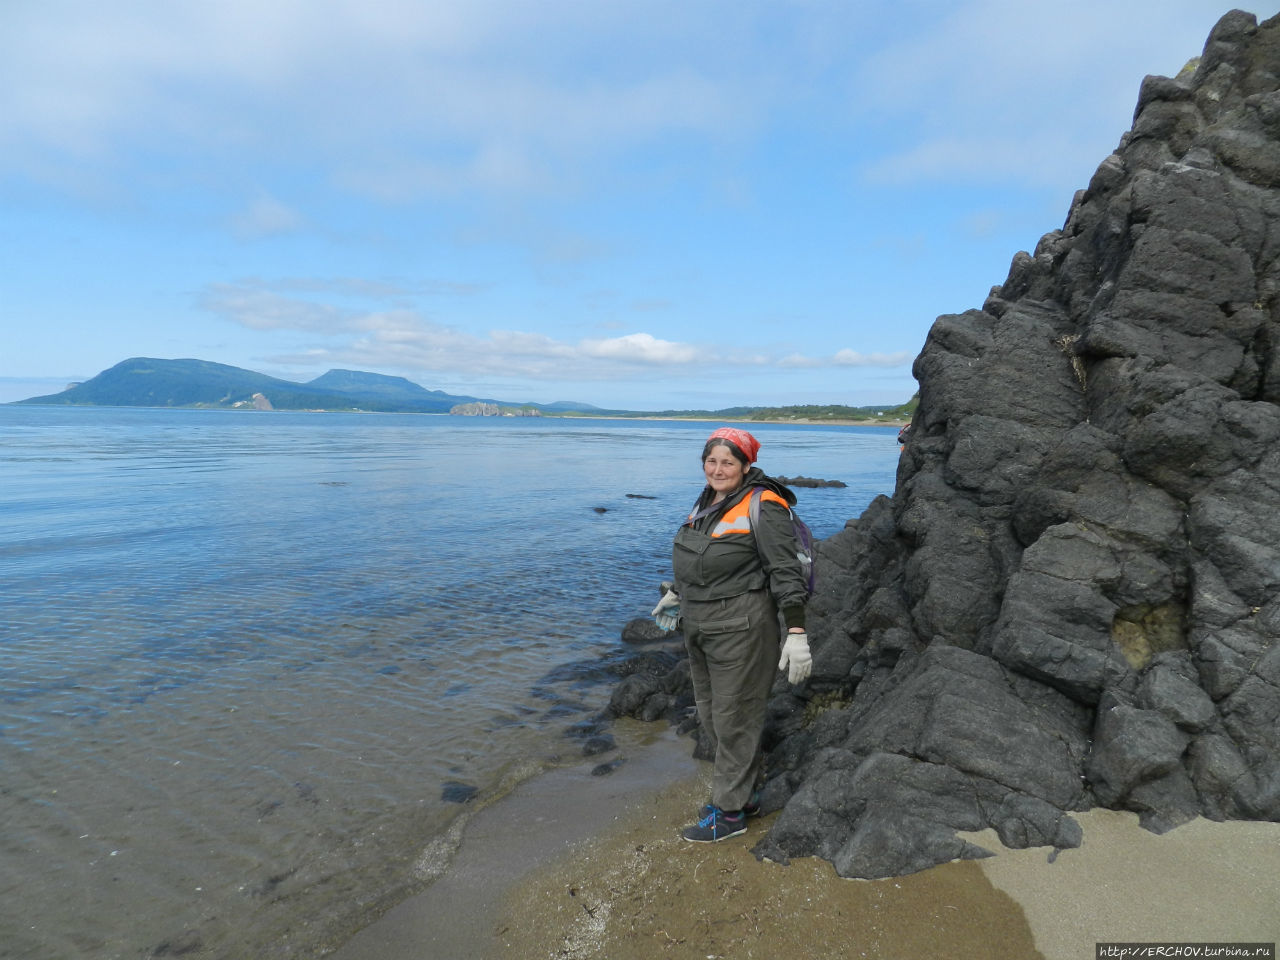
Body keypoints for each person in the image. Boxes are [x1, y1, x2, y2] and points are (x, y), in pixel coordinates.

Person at [651, 426, 812, 843]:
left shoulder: (765, 505)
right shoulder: (708, 500)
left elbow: (785, 572)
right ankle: (747, 792)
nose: (718, 469)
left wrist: (796, 632)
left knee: (734, 718)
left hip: (742, 627)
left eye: (727, 461)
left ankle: (729, 814)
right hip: (700, 624)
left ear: (746, 465)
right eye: (711, 460)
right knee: (711, 715)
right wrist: (676, 593)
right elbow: (705, 559)